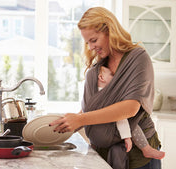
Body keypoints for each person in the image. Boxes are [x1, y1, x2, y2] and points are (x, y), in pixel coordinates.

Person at [49, 7, 165, 169]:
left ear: (110, 31)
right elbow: (96, 107)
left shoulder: (137, 58)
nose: (90, 47)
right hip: (104, 153)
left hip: (137, 154)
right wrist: (72, 122)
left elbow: (130, 108)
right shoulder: (98, 68)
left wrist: (81, 119)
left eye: (94, 40)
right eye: (87, 42)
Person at [98, 65, 165, 159]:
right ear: (101, 77)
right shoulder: (108, 95)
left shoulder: (95, 93)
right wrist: (127, 137)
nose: (115, 77)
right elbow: (120, 117)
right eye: (112, 74)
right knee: (133, 126)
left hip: (107, 133)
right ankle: (146, 149)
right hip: (115, 127)